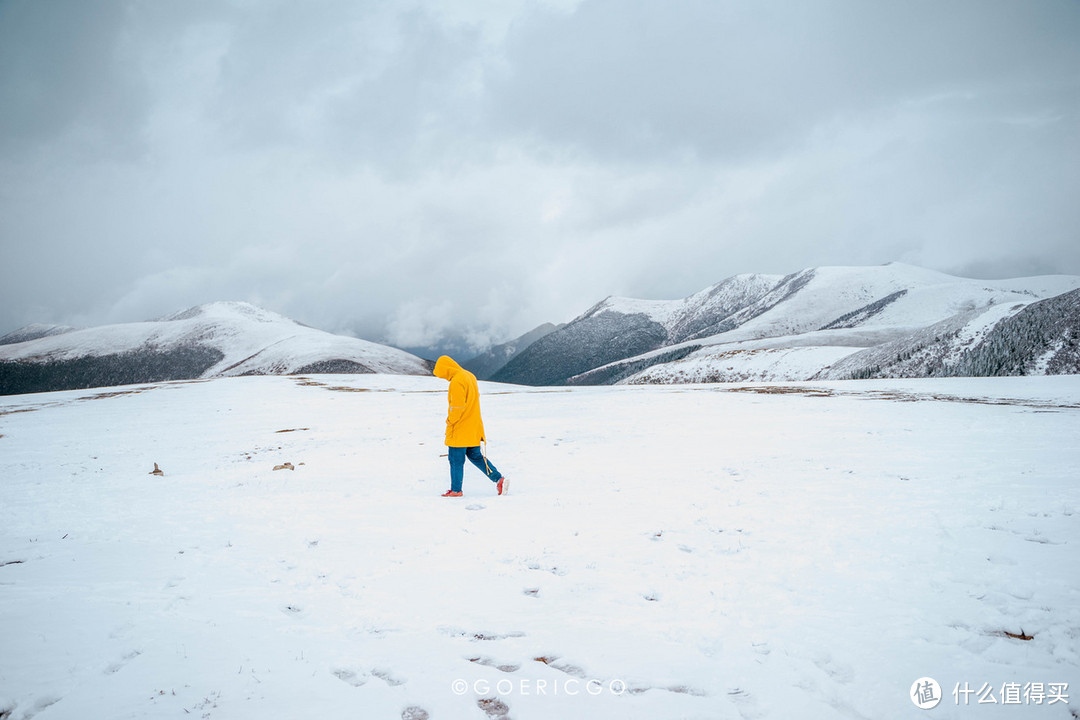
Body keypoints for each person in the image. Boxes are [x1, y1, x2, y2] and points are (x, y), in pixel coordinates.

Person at [432, 355, 508, 497]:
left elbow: (457, 407)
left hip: (460, 428)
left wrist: (450, 421)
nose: (442, 377)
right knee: (476, 456)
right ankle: (499, 479)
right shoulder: (469, 376)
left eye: (441, 374)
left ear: (446, 369)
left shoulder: (456, 381)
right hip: (473, 427)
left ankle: (456, 490)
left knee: (455, 459)